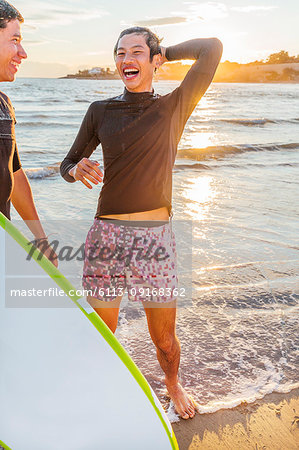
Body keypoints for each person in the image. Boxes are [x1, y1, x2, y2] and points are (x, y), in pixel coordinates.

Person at [60, 26, 222, 419]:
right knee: (102, 332)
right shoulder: (100, 111)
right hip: (107, 235)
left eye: (136, 52)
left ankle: (172, 384)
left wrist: (165, 49)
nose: (126, 59)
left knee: (164, 339)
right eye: (119, 52)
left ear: (154, 61)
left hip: (155, 239)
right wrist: (75, 168)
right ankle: (100, 388)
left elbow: (211, 49)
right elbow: (66, 164)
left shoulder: (174, 107)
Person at [0, 0, 57, 266]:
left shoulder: (3, 103)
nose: (23, 53)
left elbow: (14, 172)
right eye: (15, 40)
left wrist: (40, 239)